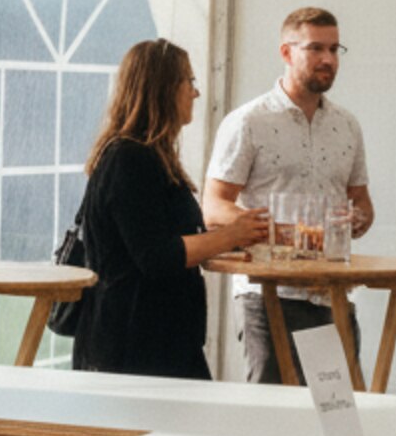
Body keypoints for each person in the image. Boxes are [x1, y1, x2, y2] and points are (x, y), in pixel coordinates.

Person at [71, 39, 269, 380]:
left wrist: (234, 238)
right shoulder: (129, 159)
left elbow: (168, 240)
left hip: (163, 341)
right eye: (188, 81)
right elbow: (156, 256)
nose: (196, 92)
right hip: (133, 349)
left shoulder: (150, 156)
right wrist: (229, 236)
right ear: (162, 88)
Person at [205, 7, 374, 383]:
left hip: (332, 291)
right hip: (269, 293)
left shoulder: (347, 125)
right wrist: (274, 231)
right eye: (315, 48)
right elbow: (213, 206)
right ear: (286, 52)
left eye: (334, 49)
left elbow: (361, 201)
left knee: (336, 411)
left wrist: (360, 217)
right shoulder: (248, 121)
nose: (328, 59)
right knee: (273, 411)